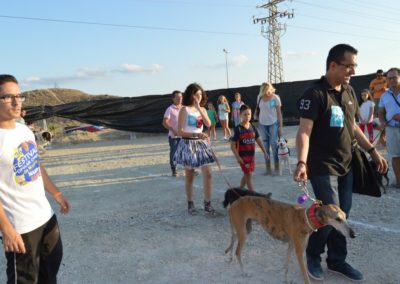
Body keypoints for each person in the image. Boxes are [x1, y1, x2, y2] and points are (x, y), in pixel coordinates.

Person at [293, 44, 387, 282]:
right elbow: (304, 131)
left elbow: (353, 126)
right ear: (333, 65)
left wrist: (372, 151)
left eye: (355, 66)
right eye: (349, 66)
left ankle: (336, 260)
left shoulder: (349, 91)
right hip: (322, 165)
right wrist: (302, 163)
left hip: (347, 164)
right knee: (329, 213)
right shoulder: (314, 94)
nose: (353, 71)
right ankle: (313, 255)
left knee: (342, 215)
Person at [0, 74, 71, 283]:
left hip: (45, 217)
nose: (16, 102)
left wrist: (56, 193)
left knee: (50, 275)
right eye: (7, 97)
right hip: (20, 227)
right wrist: (6, 229)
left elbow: (36, 165)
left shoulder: (24, 131)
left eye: (19, 96)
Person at [173, 83, 215, 215]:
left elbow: (208, 124)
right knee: (190, 176)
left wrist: (199, 108)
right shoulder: (184, 110)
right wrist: (196, 134)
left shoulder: (201, 109)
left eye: (201, 94)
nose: (199, 97)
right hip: (188, 144)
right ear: (191, 95)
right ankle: (190, 203)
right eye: (196, 94)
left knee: (208, 173)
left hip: (201, 144)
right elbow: (180, 131)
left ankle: (207, 203)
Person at [230, 104, 268, 191]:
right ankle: (253, 193)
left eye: (249, 114)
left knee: (247, 174)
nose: (247, 116)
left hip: (251, 157)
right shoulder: (238, 129)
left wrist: (265, 152)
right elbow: (232, 145)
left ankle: (240, 190)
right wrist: (238, 158)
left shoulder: (252, 127)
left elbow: (258, 140)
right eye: (245, 114)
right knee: (248, 175)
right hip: (243, 158)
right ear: (240, 115)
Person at [254, 82, 283, 175]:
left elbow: (279, 113)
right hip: (262, 124)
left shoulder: (275, 98)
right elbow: (258, 109)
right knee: (265, 147)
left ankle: (277, 168)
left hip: (273, 124)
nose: (266, 93)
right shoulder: (259, 97)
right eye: (264, 91)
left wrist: (280, 126)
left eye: (268, 90)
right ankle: (268, 168)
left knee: (274, 145)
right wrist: (256, 115)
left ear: (271, 89)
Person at [378, 67, 400, 188]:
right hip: (391, 128)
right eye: (389, 78)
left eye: (394, 77)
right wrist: (382, 122)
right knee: (395, 156)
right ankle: (398, 182)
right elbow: (381, 112)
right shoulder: (384, 96)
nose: (391, 80)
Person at [162, 90, 183, 177]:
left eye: (181, 97)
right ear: (173, 99)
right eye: (177, 97)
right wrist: (172, 129)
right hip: (174, 136)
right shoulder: (169, 109)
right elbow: (164, 122)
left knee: (186, 152)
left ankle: (190, 169)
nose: (180, 99)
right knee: (174, 153)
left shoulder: (184, 108)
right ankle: (174, 169)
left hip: (184, 135)